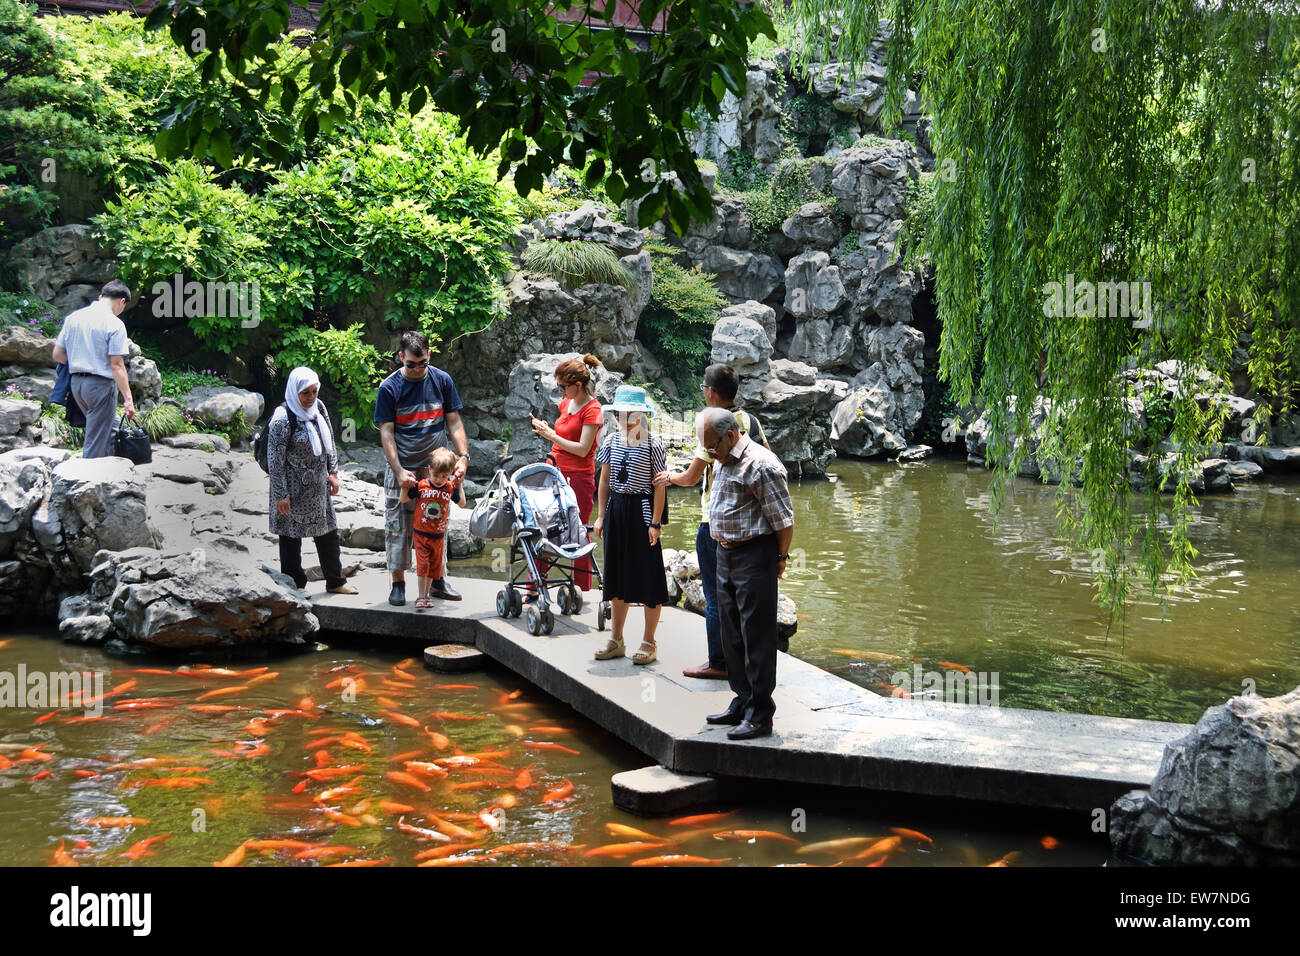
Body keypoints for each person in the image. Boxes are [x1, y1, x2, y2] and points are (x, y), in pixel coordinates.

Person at [654, 364, 771, 680]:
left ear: (712, 392)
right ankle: (745, 660)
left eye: (704, 387)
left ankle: (719, 661)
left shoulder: (711, 425)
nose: (703, 392)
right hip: (749, 523)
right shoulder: (750, 421)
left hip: (715, 522)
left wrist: (668, 478)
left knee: (716, 599)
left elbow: (692, 477)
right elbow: (768, 458)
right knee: (742, 598)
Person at [699, 407, 794, 741]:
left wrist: (780, 558)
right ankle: (742, 700)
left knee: (756, 635)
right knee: (732, 634)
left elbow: (784, 521)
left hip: (754, 553)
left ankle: (760, 713)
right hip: (725, 552)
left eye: (712, 446)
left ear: (730, 435)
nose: (709, 453)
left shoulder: (762, 464)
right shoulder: (722, 458)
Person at [374, 331, 470, 606]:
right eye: (411, 364)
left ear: (429, 355)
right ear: (401, 357)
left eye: (423, 363)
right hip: (403, 467)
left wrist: (463, 457)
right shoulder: (389, 388)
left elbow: (454, 421)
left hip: (436, 469)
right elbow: (387, 432)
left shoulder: (442, 380)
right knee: (398, 527)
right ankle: (398, 584)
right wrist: (398, 470)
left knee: (437, 524)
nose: (417, 369)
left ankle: (437, 581)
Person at [592, 385, 667, 665]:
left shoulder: (653, 443)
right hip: (617, 509)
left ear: (641, 414)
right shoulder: (611, 441)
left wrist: (655, 523)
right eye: (619, 414)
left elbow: (660, 486)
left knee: (648, 574)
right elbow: (604, 480)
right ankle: (616, 639)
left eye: (630, 414)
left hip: (642, 510)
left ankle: (649, 641)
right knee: (615, 574)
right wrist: (601, 516)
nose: (624, 419)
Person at [268, 367, 357, 595]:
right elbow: (275, 461)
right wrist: (280, 494)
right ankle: (295, 585)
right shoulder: (282, 419)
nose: (311, 398)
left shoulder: (319, 408)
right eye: (305, 393)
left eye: (314, 392)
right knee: (290, 538)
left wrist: (333, 472)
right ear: (294, 391)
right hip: (292, 489)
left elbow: (330, 441)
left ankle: (335, 581)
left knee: (328, 533)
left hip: (318, 487)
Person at [529, 353, 603, 591]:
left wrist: (552, 435)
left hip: (578, 476)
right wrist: (547, 430)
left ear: (578, 385)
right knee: (542, 526)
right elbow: (564, 434)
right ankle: (535, 587)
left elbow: (583, 449)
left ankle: (582, 589)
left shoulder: (593, 410)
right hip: (554, 470)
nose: (560, 391)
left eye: (563, 387)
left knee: (578, 529)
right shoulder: (566, 403)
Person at [50, 279, 136, 459]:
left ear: (100, 297)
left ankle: (113, 469)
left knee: (111, 428)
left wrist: (81, 361)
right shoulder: (114, 324)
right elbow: (117, 365)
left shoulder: (73, 318)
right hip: (99, 386)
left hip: (76, 385)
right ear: (122, 301)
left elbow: (57, 354)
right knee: (95, 441)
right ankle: (87, 474)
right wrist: (128, 399)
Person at [411, 446, 467, 608]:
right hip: (421, 534)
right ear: (429, 470)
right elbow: (404, 499)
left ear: (450, 474)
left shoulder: (449, 488)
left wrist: (459, 485)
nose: (439, 479)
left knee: (434, 567)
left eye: (444, 476)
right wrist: (405, 485)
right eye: (436, 475)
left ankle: (427, 596)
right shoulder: (421, 485)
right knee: (423, 565)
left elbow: (462, 503)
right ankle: (421, 596)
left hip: (438, 536)